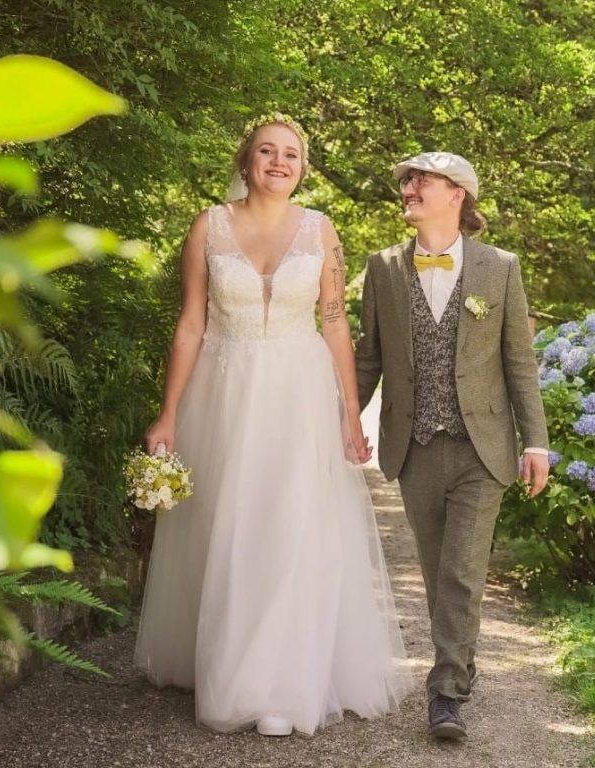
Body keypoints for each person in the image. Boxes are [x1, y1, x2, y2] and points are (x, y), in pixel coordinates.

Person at [134, 114, 411, 737]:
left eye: (291, 154)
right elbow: (191, 324)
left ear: (303, 168)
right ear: (246, 160)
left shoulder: (321, 231)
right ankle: (231, 672)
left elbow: (334, 324)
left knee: (291, 527)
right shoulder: (208, 226)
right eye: (267, 151)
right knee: (229, 528)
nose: (279, 162)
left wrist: (350, 413)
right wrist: (168, 412)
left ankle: (282, 686)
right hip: (224, 393)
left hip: (298, 396)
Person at [355, 151, 549, 740]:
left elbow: (519, 362)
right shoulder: (382, 267)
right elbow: (368, 359)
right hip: (413, 446)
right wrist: (339, 420)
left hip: (481, 448)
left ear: (457, 194)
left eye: (422, 180)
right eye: (407, 181)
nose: (408, 188)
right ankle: (460, 660)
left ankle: (445, 694)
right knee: (438, 570)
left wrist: (536, 442)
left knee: (462, 572)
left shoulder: (500, 268)